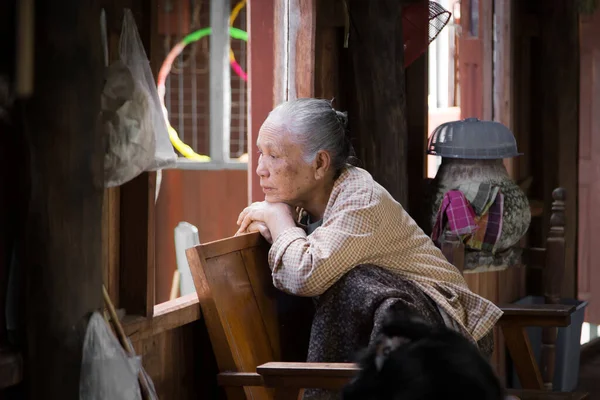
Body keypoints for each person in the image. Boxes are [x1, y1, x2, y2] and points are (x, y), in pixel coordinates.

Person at [235, 98, 502, 361]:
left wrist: (279, 220)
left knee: (352, 285)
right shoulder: (306, 200)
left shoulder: (361, 199)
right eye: (260, 153)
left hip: (448, 334)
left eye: (274, 156)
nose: (260, 169)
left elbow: (306, 276)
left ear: (319, 164)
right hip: (404, 334)